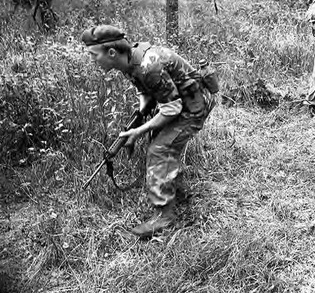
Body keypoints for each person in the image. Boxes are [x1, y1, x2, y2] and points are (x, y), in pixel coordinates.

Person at [81, 25, 216, 237]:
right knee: (159, 140)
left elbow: (172, 109)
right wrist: (141, 114)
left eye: (93, 55)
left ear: (111, 53)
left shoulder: (148, 65)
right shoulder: (129, 62)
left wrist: (139, 131)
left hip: (193, 107)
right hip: (180, 103)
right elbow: (144, 89)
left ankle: (165, 218)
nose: (92, 60)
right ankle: (174, 190)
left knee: (160, 149)